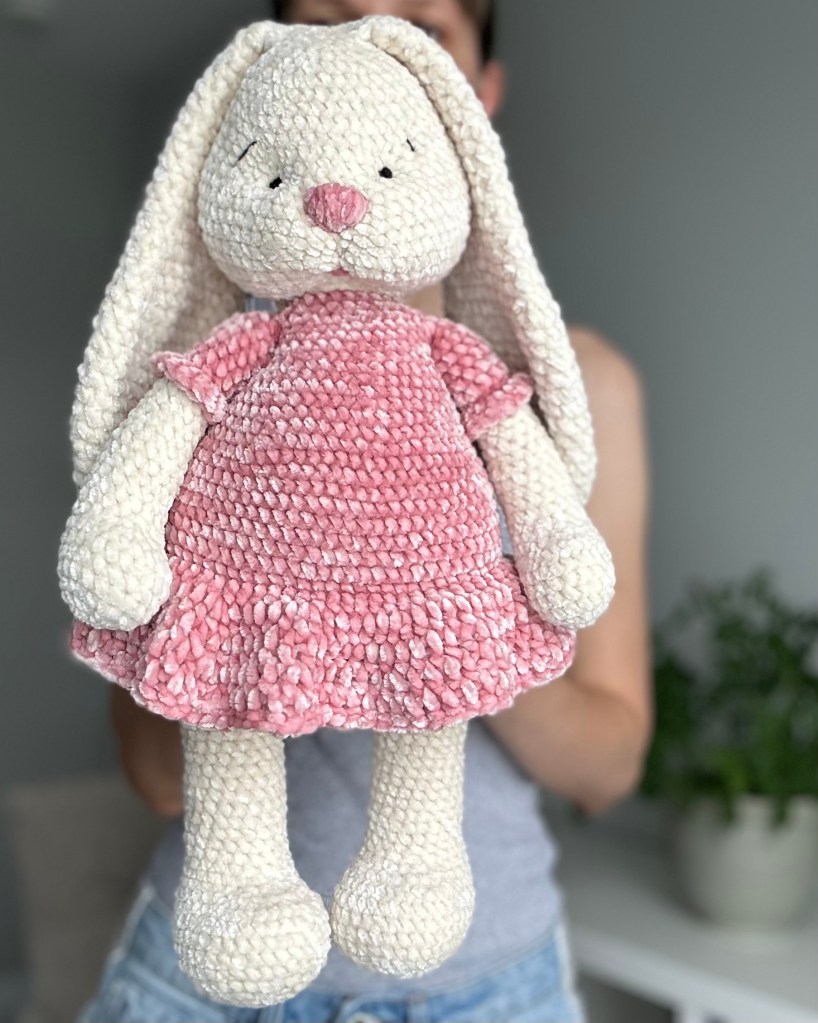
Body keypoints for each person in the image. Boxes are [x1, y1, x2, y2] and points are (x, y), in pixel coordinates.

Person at [77, 1, 651, 1020]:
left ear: (473, 98)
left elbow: (607, 764)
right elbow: (156, 776)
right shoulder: (222, 389)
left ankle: (415, 870)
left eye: (421, 31)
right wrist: (249, 586)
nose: (363, 51)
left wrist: (438, 616)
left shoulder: (566, 390)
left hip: (488, 980)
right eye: (327, 26)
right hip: (208, 974)